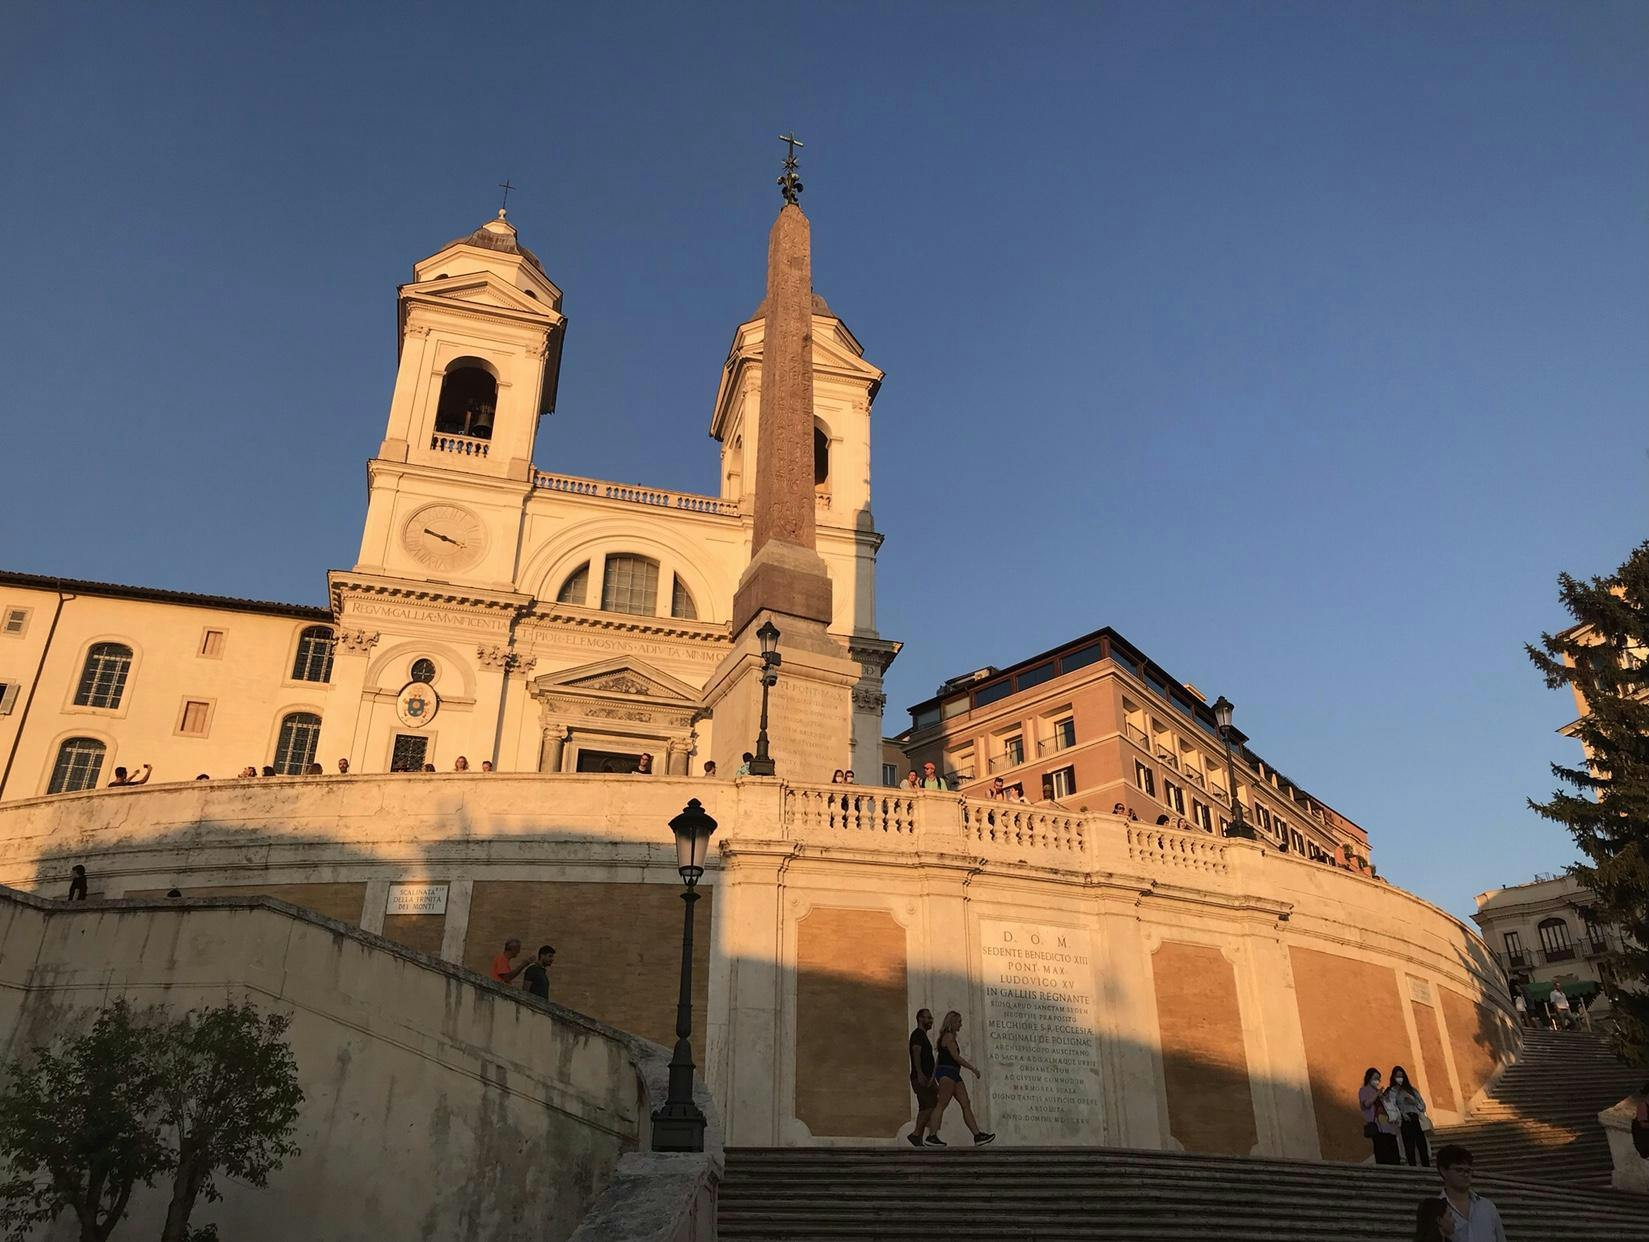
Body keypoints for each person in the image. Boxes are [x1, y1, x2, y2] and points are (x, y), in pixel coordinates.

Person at [927, 1011, 994, 1146]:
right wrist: (973, 1069)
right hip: (947, 1073)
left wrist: (933, 1076)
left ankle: (977, 1136)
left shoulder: (946, 1038)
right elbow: (955, 1057)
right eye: (959, 1022)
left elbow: (938, 1059)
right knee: (941, 1104)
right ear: (953, 1022)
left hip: (953, 1074)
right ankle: (931, 1136)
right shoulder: (949, 1037)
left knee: (965, 1104)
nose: (961, 1024)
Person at [1435, 1144, 1506, 1241]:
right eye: (1459, 1170)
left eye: (1468, 1171)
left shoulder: (1487, 1206)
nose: (1465, 1175)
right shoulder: (1434, 1210)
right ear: (1443, 1171)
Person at [906, 1008, 938, 1148]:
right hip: (921, 1078)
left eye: (931, 1018)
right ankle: (916, 1134)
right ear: (920, 1019)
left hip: (926, 1078)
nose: (931, 1021)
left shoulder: (922, 1035)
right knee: (931, 1104)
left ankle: (917, 1136)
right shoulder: (918, 1034)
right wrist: (920, 1073)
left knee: (926, 1106)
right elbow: (916, 1053)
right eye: (928, 1018)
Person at [1387, 1065, 1431, 1166]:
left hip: (1416, 1118)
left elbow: (1422, 1106)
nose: (1400, 1079)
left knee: (1422, 1144)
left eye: (1401, 1076)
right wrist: (1402, 1114)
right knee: (1409, 1145)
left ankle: (1426, 1166)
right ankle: (1412, 1166)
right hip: (1404, 1120)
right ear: (1393, 1078)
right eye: (1397, 1076)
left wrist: (1413, 1101)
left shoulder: (1412, 1090)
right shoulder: (1393, 1092)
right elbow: (1391, 1106)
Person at [1359, 1067, 1400, 1164]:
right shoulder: (1364, 1090)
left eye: (1378, 1078)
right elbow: (1366, 1104)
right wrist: (1377, 1094)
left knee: (1393, 1152)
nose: (1377, 1081)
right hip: (1377, 1127)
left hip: (1388, 1125)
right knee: (1382, 1152)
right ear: (1369, 1078)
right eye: (1375, 1078)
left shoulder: (1379, 1092)